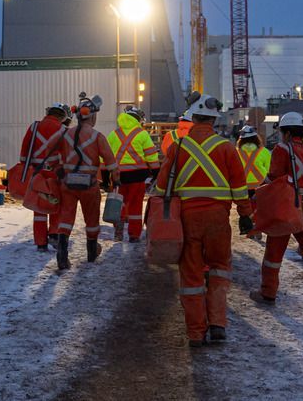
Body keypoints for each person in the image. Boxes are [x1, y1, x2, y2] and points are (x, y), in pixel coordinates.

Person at [153, 94, 253, 347]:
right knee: (219, 268)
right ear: (214, 120)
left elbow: (162, 187)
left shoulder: (177, 148)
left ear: (193, 118)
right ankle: (218, 323)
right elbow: (240, 187)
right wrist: (245, 215)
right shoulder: (227, 148)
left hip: (188, 218)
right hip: (218, 218)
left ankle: (196, 333)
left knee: (191, 274)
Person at [249, 111, 303, 316]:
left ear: (286, 132)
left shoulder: (281, 149)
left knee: (274, 252)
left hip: (287, 206)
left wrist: (257, 194)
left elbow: (274, 177)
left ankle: (268, 293)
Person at [55, 94, 119, 270]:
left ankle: (62, 255)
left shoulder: (66, 134)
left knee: (66, 217)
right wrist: (116, 180)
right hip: (89, 185)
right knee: (91, 218)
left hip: (67, 184)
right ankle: (91, 252)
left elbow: (57, 156)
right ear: (92, 116)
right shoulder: (97, 137)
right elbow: (111, 163)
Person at [19, 102, 71, 252]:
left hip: (37, 173)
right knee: (56, 204)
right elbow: (66, 153)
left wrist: (27, 168)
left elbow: (24, 152)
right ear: (63, 116)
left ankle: (41, 242)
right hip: (56, 172)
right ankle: (54, 234)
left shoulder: (34, 127)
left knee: (39, 207)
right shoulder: (63, 130)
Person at [108, 105, 159, 242]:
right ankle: (134, 235)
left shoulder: (114, 134)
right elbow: (151, 157)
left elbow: (105, 157)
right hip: (137, 177)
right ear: (138, 119)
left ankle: (118, 231)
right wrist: (156, 173)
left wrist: (106, 178)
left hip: (118, 176)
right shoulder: (142, 134)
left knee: (119, 204)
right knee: (136, 206)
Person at [235, 125, 270, 200]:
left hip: (241, 188)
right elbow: (269, 171)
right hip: (261, 187)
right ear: (256, 138)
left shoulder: (235, 153)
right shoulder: (264, 151)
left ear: (240, 139)